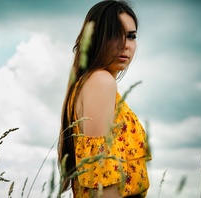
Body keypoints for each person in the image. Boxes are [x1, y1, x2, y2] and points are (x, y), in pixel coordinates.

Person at [58, 0, 151, 197]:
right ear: (95, 38)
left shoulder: (89, 82)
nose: (125, 45)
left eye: (131, 36)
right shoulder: (100, 81)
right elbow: (102, 176)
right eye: (113, 35)